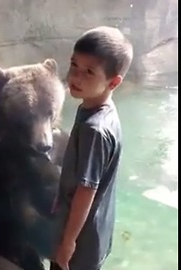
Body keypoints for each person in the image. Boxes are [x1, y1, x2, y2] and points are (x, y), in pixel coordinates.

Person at [50, 26, 133, 270]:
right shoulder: (103, 110)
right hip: (96, 233)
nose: (75, 77)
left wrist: (68, 242)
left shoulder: (93, 130)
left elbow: (86, 190)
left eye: (89, 72)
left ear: (114, 82)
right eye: (74, 65)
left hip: (79, 243)